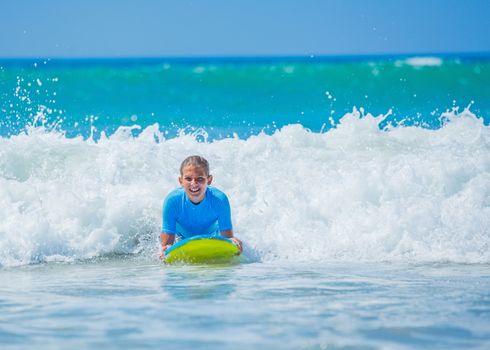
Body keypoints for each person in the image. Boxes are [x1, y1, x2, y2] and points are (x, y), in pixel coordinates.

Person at [160, 155, 242, 259]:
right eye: (188, 179)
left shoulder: (219, 200)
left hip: (211, 238)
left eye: (199, 179)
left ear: (209, 180)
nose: (194, 184)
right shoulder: (172, 201)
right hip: (181, 240)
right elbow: (167, 246)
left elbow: (227, 238)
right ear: (181, 181)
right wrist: (164, 250)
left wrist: (234, 243)